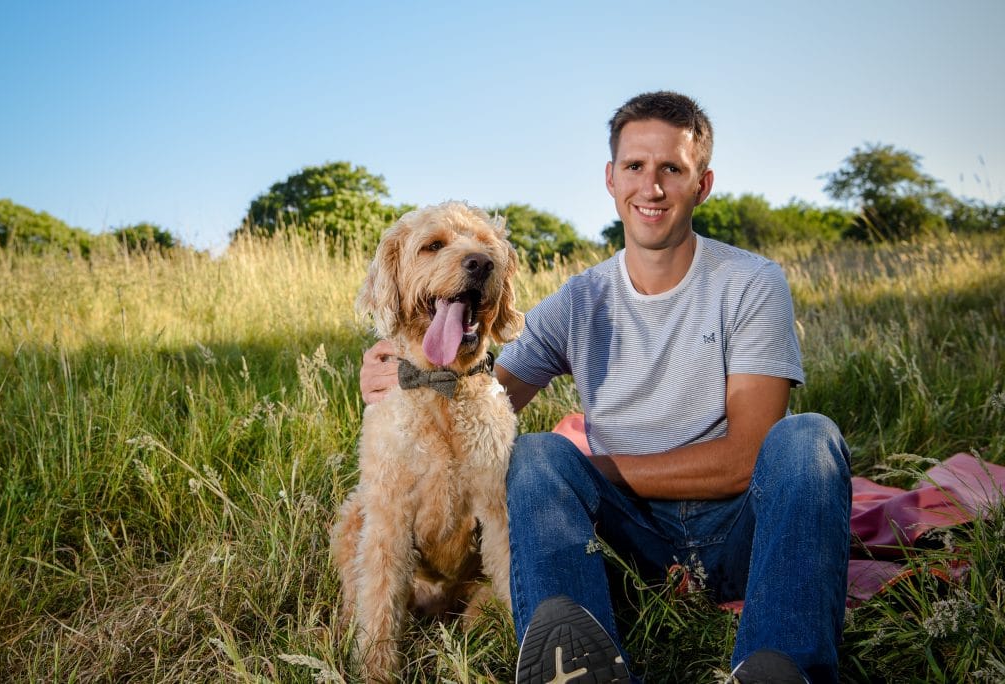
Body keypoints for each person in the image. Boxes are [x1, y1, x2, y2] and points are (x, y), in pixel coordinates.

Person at [359, 91, 852, 684]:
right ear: (611, 180)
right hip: (624, 545)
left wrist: (595, 473)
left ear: (703, 184)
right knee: (538, 454)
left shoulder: (750, 283)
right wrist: (406, 370)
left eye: (673, 168)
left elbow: (748, 457)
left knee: (808, 439)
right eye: (635, 167)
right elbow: (484, 394)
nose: (652, 187)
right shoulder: (579, 300)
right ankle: (579, 670)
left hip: (741, 534)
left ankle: (779, 667)